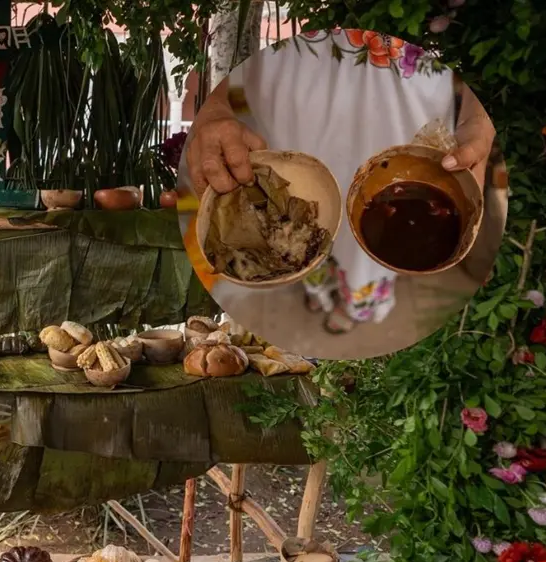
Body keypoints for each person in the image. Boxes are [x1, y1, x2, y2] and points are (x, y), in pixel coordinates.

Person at [185, 29, 495, 335]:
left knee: (380, 234)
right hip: (296, 98)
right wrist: (214, 108)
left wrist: (478, 118)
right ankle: (318, 284)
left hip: (404, 103)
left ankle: (357, 301)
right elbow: (231, 36)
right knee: (303, 216)